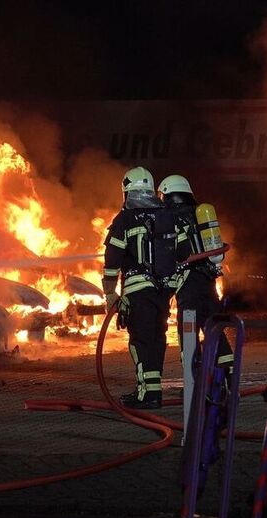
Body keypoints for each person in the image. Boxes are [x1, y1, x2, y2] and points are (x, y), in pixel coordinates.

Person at [102, 166, 178, 409]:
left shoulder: (125, 219)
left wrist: (109, 293)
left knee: (140, 340)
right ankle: (150, 390)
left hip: (138, 290)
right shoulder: (167, 215)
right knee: (158, 337)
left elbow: (112, 259)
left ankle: (149, 394)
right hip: (165, 290)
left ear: (126, 191)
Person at [158, 175, 234, 373]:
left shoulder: (170, 218)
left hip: (188, 286)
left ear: (169, 195)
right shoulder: (200, 214)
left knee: (188, 335)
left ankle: (195, 383)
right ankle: (228, 376)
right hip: (208, 283)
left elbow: (174, 252)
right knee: (215, 332)